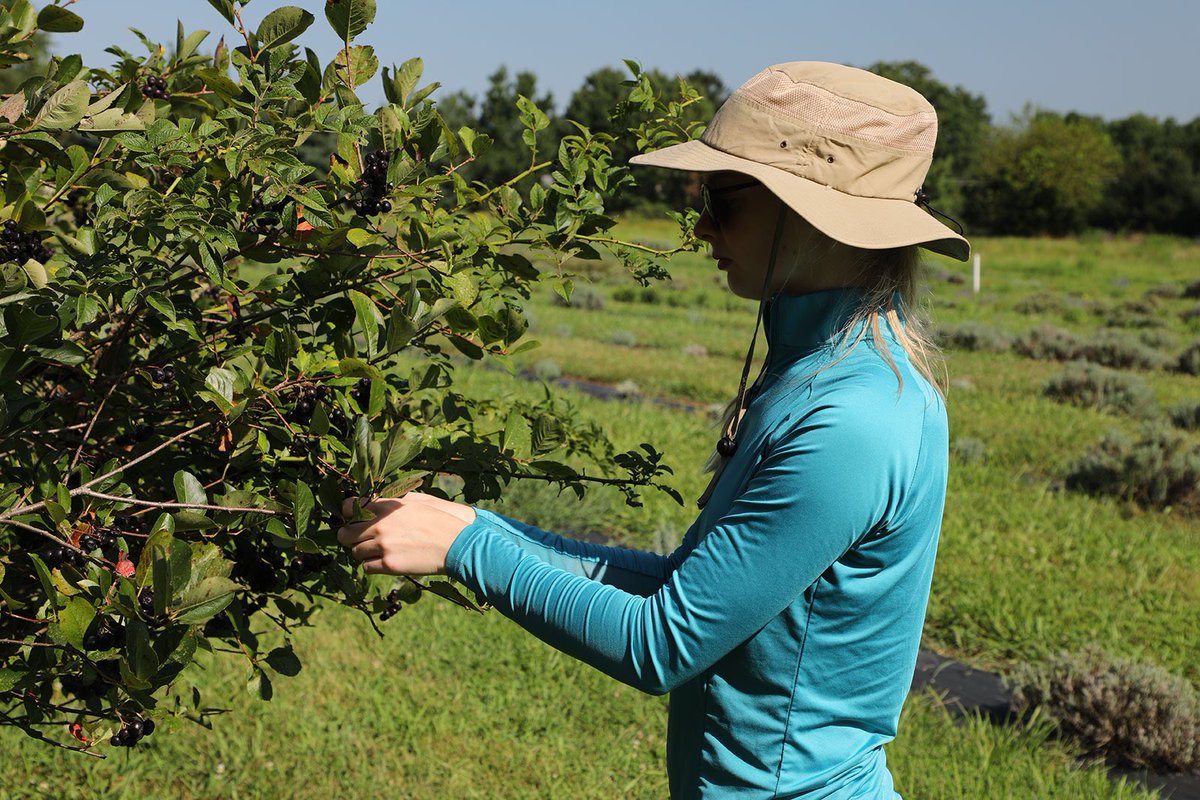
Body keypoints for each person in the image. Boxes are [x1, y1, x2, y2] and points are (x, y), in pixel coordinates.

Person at [337, 61, 970, 799]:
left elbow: (663, 643)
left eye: (722, 200)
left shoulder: (853, 420)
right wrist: (478, 526)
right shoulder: (816, 370)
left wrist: (466, 551)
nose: (700, 227)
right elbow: (688, 587)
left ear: (810, 215)